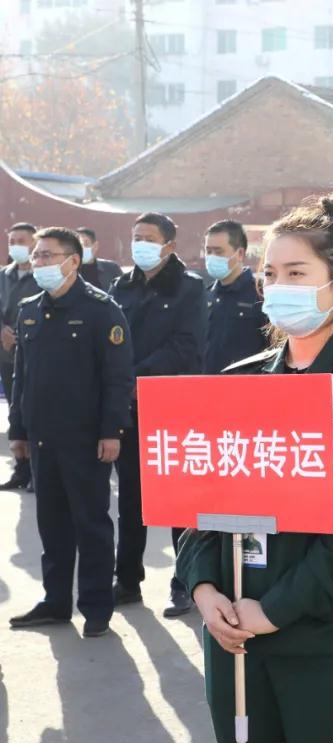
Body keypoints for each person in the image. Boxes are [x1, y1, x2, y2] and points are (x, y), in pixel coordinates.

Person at [179, 190, 333, 743]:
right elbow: (194, 505)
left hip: (324, 645)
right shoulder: (239, 383)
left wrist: (273, 609)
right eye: (271, 272)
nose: (278, 286)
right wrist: (204, 588)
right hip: (234, 635)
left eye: (297, 271)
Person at [7, 227, 133, 638]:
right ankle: (55, 600)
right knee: (52, 524)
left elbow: (117, 378)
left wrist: (111, 431)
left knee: (91, 523)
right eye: (37, 255)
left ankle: (97, 606)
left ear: (73, 261)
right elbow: (21, 375)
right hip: (42, 438)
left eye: (47, 256)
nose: (38, 262)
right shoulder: (29, 309)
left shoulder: (102, 310)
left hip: (86, 439)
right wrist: (18, 430)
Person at [110, 212, 206, 617]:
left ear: (169, 245)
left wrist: (136, 374)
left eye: (148, 238)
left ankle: (183, 584)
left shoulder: (190, 288)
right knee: (132, 497)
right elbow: (111, 339)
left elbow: (187, 346)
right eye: (136, 237)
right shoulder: (122, 285)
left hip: (172, 404)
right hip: (130, 406)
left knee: (176, 501)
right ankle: (127, 580)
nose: (140, 244)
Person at [1, 222, 42, 491]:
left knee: (36, 409)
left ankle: (38, 474)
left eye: (22, 241)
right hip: (7, 354)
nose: (16, 245)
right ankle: (21, 470)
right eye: (12, 240)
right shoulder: (3, 275)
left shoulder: (43, 275)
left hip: (37, 354)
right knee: (15, 410)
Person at [203, 220, 269, 375]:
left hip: (246, 388)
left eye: (218, 252)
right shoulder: (206, 296)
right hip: (206, 387)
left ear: (239, 253)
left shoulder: (260, 294)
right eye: (208, 251)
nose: (212, 257)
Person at [75, 227, 123, 291]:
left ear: (95, 246)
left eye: (85, 243)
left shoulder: (112, 269)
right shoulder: (69, 271)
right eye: (77, 245)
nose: (81, 248)